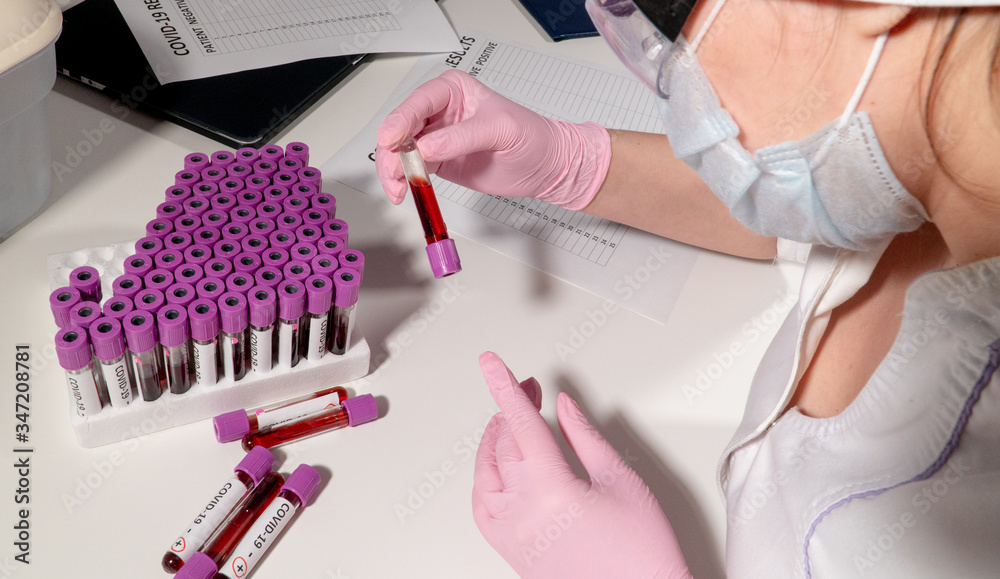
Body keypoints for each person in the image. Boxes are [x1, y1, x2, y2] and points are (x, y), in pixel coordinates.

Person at [374, 0, 1000, 576]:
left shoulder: (949, 504)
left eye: (672, 11)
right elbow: (806, 220)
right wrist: (571, 163)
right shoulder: (928, 168)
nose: (671, 71)